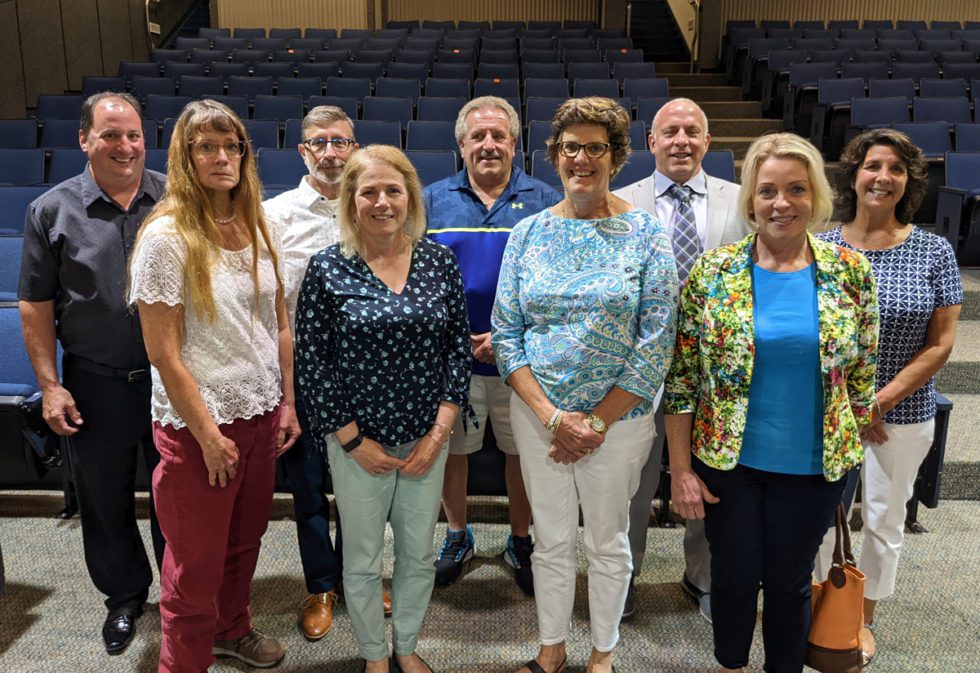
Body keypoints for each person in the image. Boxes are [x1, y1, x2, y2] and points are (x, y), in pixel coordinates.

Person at [664, 132, 879, 673]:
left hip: (813, 466)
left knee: (789, 580)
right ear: (750, 200)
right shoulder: (712, 274)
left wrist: (849, 456)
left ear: (816, 197)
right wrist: (682, 471)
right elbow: (684, 380)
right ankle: (731, 664)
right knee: (733, 575)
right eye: (767, 191)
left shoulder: (850, 273)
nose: (781, 203)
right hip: (728, 464)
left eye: (795, 190)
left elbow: (861, 374)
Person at [492, 97, 678, 673]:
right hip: (539, 417)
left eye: (595, 147)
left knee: (607, 540)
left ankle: (603, 653)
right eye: (570, 147)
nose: (581, 158)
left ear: (616, 157)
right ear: (555, 155)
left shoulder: (645, 234)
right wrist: (553, 416)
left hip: (617, 424)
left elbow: (657, 341)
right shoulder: (526, 234)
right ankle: (550, 649)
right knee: (548, 540)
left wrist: (594, 420)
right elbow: (505, 333)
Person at [128, 99, 300, 672]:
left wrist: (287, 404)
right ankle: (184, 664)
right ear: (186, 156)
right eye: (207, 146)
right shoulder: (166, 238)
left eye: (232, 146)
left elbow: (279, 323)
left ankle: (232, 629)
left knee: (243, 544)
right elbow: (163, 353)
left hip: (258, 416)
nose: (222, 157)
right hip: (199, 427)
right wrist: (205, 434)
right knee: (194, 566)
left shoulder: (256, 224)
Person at [295, 145, 471, 673]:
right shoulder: (328, 269)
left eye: (393, 190)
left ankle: (407, 646)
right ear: (351, 201)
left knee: (418, 555)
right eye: (368, 191)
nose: (382, 201)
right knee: (364, 559)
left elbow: (457, 352)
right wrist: (352, 440)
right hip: (356, 445)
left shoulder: (438, 261)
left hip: (426, 440)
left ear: (410, 197)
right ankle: (374, 655)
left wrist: (437, 437)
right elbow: (314, 363)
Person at [18, 91, 166, 654]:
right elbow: (35, 304)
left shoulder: (177, 198)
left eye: (132, 134)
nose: (124, 145)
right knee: (103, 499)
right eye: (110, 134)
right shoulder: (51, 211)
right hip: (94, 381)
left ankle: (180, 595)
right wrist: (50, 385)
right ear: (84, 140)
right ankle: (124, 598)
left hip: (169, 381)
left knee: (175, 497)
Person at [814, 129, 963, 666]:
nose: (883, 177)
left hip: (904, 411)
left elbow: (942, 343)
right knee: (820, 516)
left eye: (896, 169)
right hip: (828, 409)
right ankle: (818, 602)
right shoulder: (824, 247)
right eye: (873, 166)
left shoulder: (934, 250)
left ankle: (861, 616)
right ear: (854, 175)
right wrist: (851, 405)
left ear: (908, 181)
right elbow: (810, 335)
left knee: (883, 517)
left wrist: (876, 404)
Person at [612, 97, 748, 621]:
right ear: (651, 142)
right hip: (637, 364)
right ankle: (622, 576)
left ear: (708, 142)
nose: (681, 141)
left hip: (716, 370)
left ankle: (705, 577)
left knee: (711, 476)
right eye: (670, 131)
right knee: (632, 480)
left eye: (693, 131)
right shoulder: (619, 201)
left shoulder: (742, 202)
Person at [263, 105, 392, 641]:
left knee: (365, 483)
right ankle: (320, 584)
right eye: (320, 143)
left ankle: (360, 577)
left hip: (364, 373)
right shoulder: (275, 215)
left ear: (355, 147)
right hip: (300, 372)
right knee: (310, 486)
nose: (331, 152)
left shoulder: (376, 207)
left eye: (342, 142)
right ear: (303, 151)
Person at [425, 96, 560, 593]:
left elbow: (553, 282)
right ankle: (457, 535)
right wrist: (453, 336)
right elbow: (415, 278)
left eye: (498, 136)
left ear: (514, 143)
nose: (488, 145)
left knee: (521, 451)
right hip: (450, 356)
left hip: (521, 358)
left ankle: (520, 539)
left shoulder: (546, 200)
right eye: (477, 137)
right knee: (451, 451)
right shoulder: (430, 199)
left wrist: (507, 337)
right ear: (461, 144)